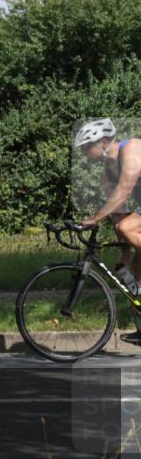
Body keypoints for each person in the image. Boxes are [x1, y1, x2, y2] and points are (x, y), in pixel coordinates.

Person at [75, 118, 141, 344]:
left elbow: (125, 190)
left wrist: (94, 219)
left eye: (86, 147)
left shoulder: (131, 148)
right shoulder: (106, 175)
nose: (84, 153)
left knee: (127, 227)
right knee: (135, 271)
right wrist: (125, 257)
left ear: (103, 142)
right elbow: (118, 215)